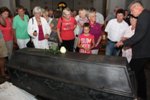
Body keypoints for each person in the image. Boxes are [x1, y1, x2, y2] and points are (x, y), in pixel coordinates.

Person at [116, 1, 150, 100]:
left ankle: (129, 95)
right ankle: (141, 95)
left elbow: (139, 35)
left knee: (129, 72)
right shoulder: (146, 14)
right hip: (144, 51)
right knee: (140, 74)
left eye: (132, 10)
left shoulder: (144, 16)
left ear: (137, 8)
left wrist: (124, 43)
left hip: (142, 52)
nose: (131, 13)